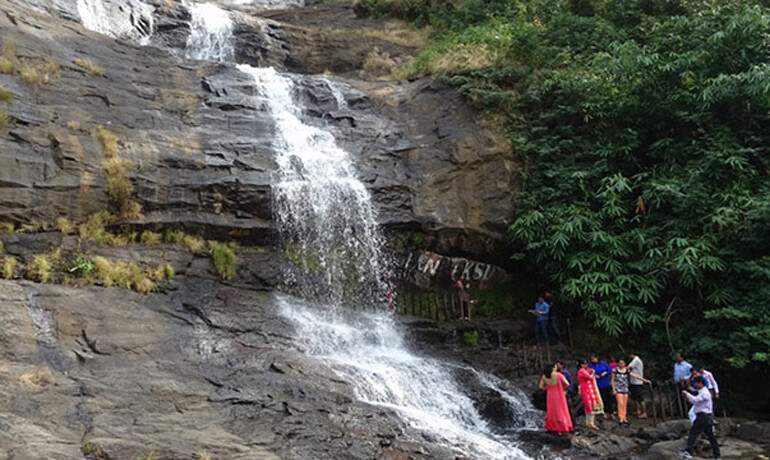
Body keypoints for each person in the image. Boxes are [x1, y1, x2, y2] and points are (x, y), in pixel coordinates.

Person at [680, 376, 721, 459]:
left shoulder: (704, 393)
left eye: (696, 383)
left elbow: (695, 400)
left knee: (693, 433)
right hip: (706, 416)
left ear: (700, 383)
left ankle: (688, 452)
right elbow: (694, 402)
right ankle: (717, 455)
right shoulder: (701, 392)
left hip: (703, 416)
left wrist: (687, 394)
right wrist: (687, 397)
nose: (695, 385)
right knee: (711, 436)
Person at [539, 363, 574, 435]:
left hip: (550, 395)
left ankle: (551, 427)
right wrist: (563, 389)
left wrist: (548, 388)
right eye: (555, 367)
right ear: (553, 368)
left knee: (551, 411)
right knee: (561, 410)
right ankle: (561, 428)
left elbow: (541, 387)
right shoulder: (559, 375)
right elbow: (567, 384)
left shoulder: (544, 376)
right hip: (559, 394)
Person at [611, 359, 649, 425]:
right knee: (620, 403)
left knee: (624, 404)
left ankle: (624, 417)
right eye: (620, 363)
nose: (621, 364)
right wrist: (613, 389)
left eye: (622, 363)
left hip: (625, 389)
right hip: (618, 389)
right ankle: (621, 417)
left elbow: (634, 375)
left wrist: (644, 380)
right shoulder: (615, 370)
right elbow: (612, 380)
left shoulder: (627, 370)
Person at [577, 359, 603, 430]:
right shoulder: (581, 371)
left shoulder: (586, 370)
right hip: (585, 389)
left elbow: (590, 371)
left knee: (591, 405)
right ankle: (590, 423)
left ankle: (590, 422)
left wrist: (592, 371)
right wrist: (593, 373)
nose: (586, 365)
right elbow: (589, 377)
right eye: (584, 364)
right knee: (589, 405)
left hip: (590, 389)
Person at [590, 354, 614, 419]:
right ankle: (603, 412)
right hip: (597, 385)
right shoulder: (591, 366)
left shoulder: (603, 363)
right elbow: (589, 373)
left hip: (605, 383)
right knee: (601, 398)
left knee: (608, 398)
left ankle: (610, 412)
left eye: (594, 359)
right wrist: (594, 376)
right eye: (592, 359)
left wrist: (605, 373)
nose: (593, 360)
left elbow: (609, 370)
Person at [628, 352, 648, 418]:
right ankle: (638, 410)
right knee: (635, 397)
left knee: (640, 398)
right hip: (633, 381)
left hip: (637, 382)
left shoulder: (636, 360)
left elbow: (628, 367)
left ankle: (644, 412)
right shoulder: (635, 360)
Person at [674, 353, 693, 418]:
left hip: (685, 383)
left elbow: (691, 374)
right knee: (678, 398)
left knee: (686, 397)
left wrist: (684, 378)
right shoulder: (676, 365)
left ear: (682, 358)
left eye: (678, 357)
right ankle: (680, 413)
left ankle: (687, 413)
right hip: (677, 383)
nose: (677, 358)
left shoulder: (688, 366)